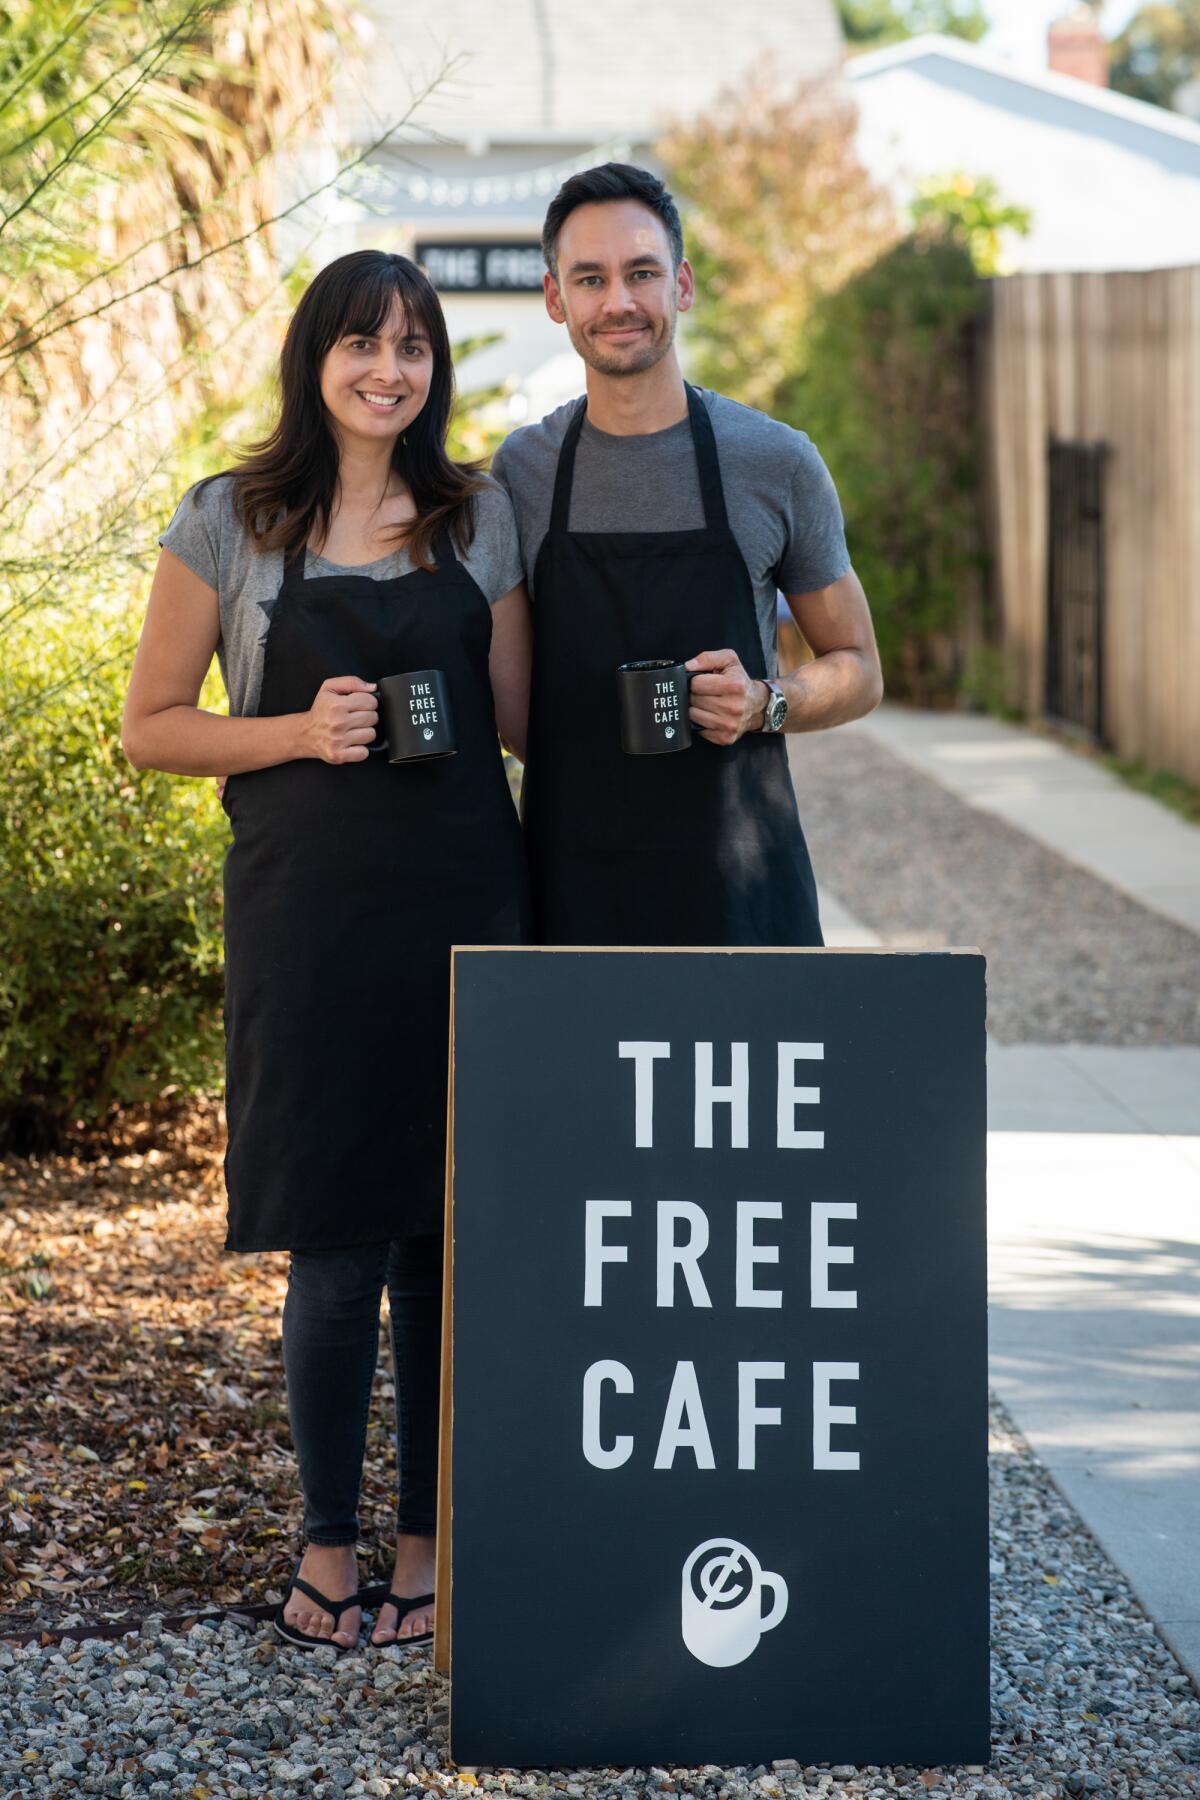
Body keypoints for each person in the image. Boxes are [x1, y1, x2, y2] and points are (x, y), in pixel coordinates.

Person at [121, 250, 531, 1653]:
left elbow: (524, 721)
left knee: (441, 1241)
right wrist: (298, 731)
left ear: (435, 369)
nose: (388, 370)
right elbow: (155, 724)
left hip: (465, 912)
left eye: (413, 347)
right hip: (306, 921)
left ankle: (428, 1550)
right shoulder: (230, 522)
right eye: (362, 344)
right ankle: (326, 1550)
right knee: (335, 1239)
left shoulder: (482, 523)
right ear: (315, 358)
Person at [491, 164, 883, 947]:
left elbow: (860, 667)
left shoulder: (775, 461)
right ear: (555, 299)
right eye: (590, 279)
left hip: (739, 890)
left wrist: (767, 702)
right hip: (570, 895)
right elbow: (507, 705)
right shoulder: (521, 473)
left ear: (683, 284)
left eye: (641, 273)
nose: (619, 302)